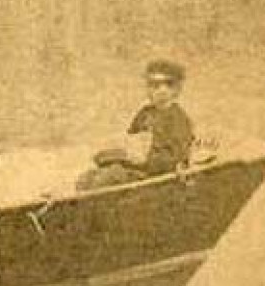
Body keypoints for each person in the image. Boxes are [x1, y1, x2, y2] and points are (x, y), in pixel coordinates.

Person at [79, 60, 197, 191]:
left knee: (110, 177)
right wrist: (115, 154)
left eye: (167, 85)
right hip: (135, 168)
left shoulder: (178, 119)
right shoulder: (144, 114)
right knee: (87, 178)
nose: (160, 91)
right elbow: (130, 141)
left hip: (153, 176)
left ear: (176, 90)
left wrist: (144, 160)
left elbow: (177, 157)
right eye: (153, 86)